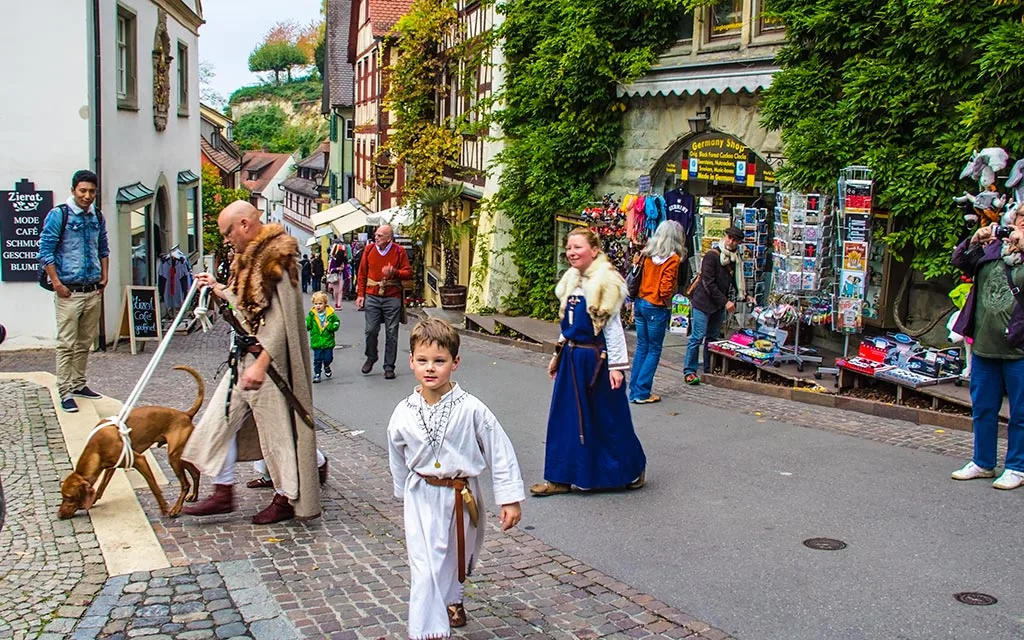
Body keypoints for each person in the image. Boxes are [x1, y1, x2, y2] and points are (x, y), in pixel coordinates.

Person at [182, 200, 321, 524]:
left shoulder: (278, 258)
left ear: (244, 224)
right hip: (246, 357)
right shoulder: (248, 258)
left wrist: (261, 364)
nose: (226, 239)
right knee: (219, 420)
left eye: (228, 232)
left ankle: (287, 497)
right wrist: (218, 289)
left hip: (269, 366)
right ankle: (222, 490)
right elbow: (247, 308)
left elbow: (281, 323)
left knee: (279, 433)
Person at [387, 317, 524, 638]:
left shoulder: (472, 409)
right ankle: (428, 631)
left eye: (439, 361)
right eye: (422, 361)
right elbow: (396, 451)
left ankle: (454, 598)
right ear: (411, 362)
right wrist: (401, 491)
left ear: (455, 362)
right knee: (424, 565)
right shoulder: (404, 411)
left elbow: (498, 449)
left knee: (456, 554)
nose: (430, 368)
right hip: (421, 495)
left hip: (462, 495)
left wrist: (510, 498)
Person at [530, 227, 647, 496]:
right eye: (569, 248)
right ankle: (561, 477)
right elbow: (567, 325)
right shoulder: (571, 280)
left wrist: (617, 367)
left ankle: (631, 468)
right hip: (572, 359)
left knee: (608, 418)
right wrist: (557, 356)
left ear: (594, 250)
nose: (571, 252)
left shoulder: (606, 282)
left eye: (578, 247)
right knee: (565, 419)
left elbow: (613, 328)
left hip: (596, 362)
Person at [949, 215, 1024, 490]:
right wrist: (974, 240)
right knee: (983, 407)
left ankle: (1017, 466)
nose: (1020, 226)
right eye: (1019, 219)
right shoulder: (995, 249)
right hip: (984, 343)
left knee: (1021, 412)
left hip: (1019, 348)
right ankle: (983, 462)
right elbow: (960, 262)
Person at [38, 169, 110, 413]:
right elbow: (45, 250)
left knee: (84, 342)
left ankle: (79, 383)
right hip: (69, 291)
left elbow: (103, 247)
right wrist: (57, 284)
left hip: (92, 290)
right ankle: (64, 390)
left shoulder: (96, 216)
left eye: (91, 191)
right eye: (83, 191)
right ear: (73, 190)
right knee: (66, 343)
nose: (87, 196)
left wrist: (105, 276)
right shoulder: (60, 215)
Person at [629, 220, 685, 404]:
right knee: (653, 350)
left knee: (642, 347)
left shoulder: (647, 253)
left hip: (640, 303)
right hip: (656, 306)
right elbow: (665, 290)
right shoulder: (673, 259)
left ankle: (634, 388)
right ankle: (642, 392)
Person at [683, 226, 746, 386]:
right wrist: (725, 302)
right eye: (729, 238)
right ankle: (689, 371)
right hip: (703, 302)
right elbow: (708, 283)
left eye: (735, 240)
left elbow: (734, 281)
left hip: (718, 305)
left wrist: (744, 295)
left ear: (738, 242)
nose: (731, 242)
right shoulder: (712, 256)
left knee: (712, 338)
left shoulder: (735, 259)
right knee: (697, 337)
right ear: (725, 237)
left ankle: (708, 369)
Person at [357, 224, 413, 380]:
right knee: (370, 330)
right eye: (376, 234)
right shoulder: (369, 250)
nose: (376, 237)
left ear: (389, 238)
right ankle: (371, 356)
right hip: (372, 295)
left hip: (392, 296)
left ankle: (389, 366)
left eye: (380, 235)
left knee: (391, 332)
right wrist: (360, 294)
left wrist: (394, 272)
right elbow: (362, 273)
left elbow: (408, 273)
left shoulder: (399, 251)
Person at [307, 291, 340, 383]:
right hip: (317, 341)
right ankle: (317, 374)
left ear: (325, 304)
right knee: (317, 359)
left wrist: (329, 326)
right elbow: (307, 325)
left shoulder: (331, 315)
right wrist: (305, 325)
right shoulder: (311, 315)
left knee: (328, 358)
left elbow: (336, 324)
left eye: (320, 303)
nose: (318, 306)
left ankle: (326, 366)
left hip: (328, 341)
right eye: (316, 304)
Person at [327, 243, 347, 309]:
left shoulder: (344, 260)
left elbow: (346, 268)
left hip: (341, 275)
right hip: (335, 275)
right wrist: (337, 268)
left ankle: (339, 305)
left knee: (340, 290)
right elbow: (330, 270)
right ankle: (336, 303)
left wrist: (347, 273)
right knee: (335, 291)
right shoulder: (333, 260)